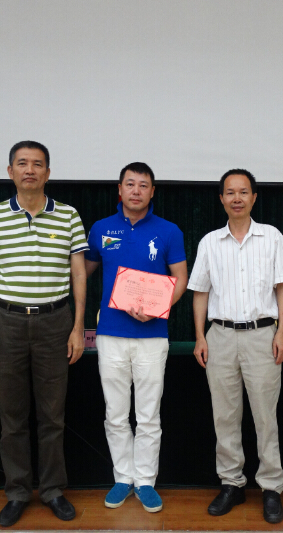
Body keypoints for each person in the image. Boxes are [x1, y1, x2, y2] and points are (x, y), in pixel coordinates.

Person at [0, 140, 88, 528]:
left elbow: (78, 274)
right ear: (10, 172)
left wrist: (77, 327)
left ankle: (53, 490)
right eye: (22, 163)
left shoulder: (68, 215)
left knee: (53, 415)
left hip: (56, 323)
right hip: (6, 324)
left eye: (38, 164)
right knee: (12, 417)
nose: (30, 170)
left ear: (48, 173)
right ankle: (18, 492)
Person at [188, 169, 283, 524]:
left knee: (265, 415)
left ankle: (271, 487)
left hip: (262, 335)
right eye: (230, 192)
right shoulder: (210, 242)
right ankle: (231, 483)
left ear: (254, 197)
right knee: (225, 414)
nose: (237, 198)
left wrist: (281, 333)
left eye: (243, 192)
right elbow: (200, 292)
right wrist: (200, 336)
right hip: (219, 336)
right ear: (221, 198)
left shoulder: (272, 237)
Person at [85, 162, 188, 513]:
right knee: (115, 413)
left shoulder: (169, 231)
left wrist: (160, 307)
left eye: (143, 185)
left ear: (152, 191)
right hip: (111, 334)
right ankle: (122, 478)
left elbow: (181, 278)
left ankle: (145, 481)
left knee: (148, 415)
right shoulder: (101, 229)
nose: (136, 191)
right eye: (130, 184)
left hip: (153, 335)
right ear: (119, 189)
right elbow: (82, 273)